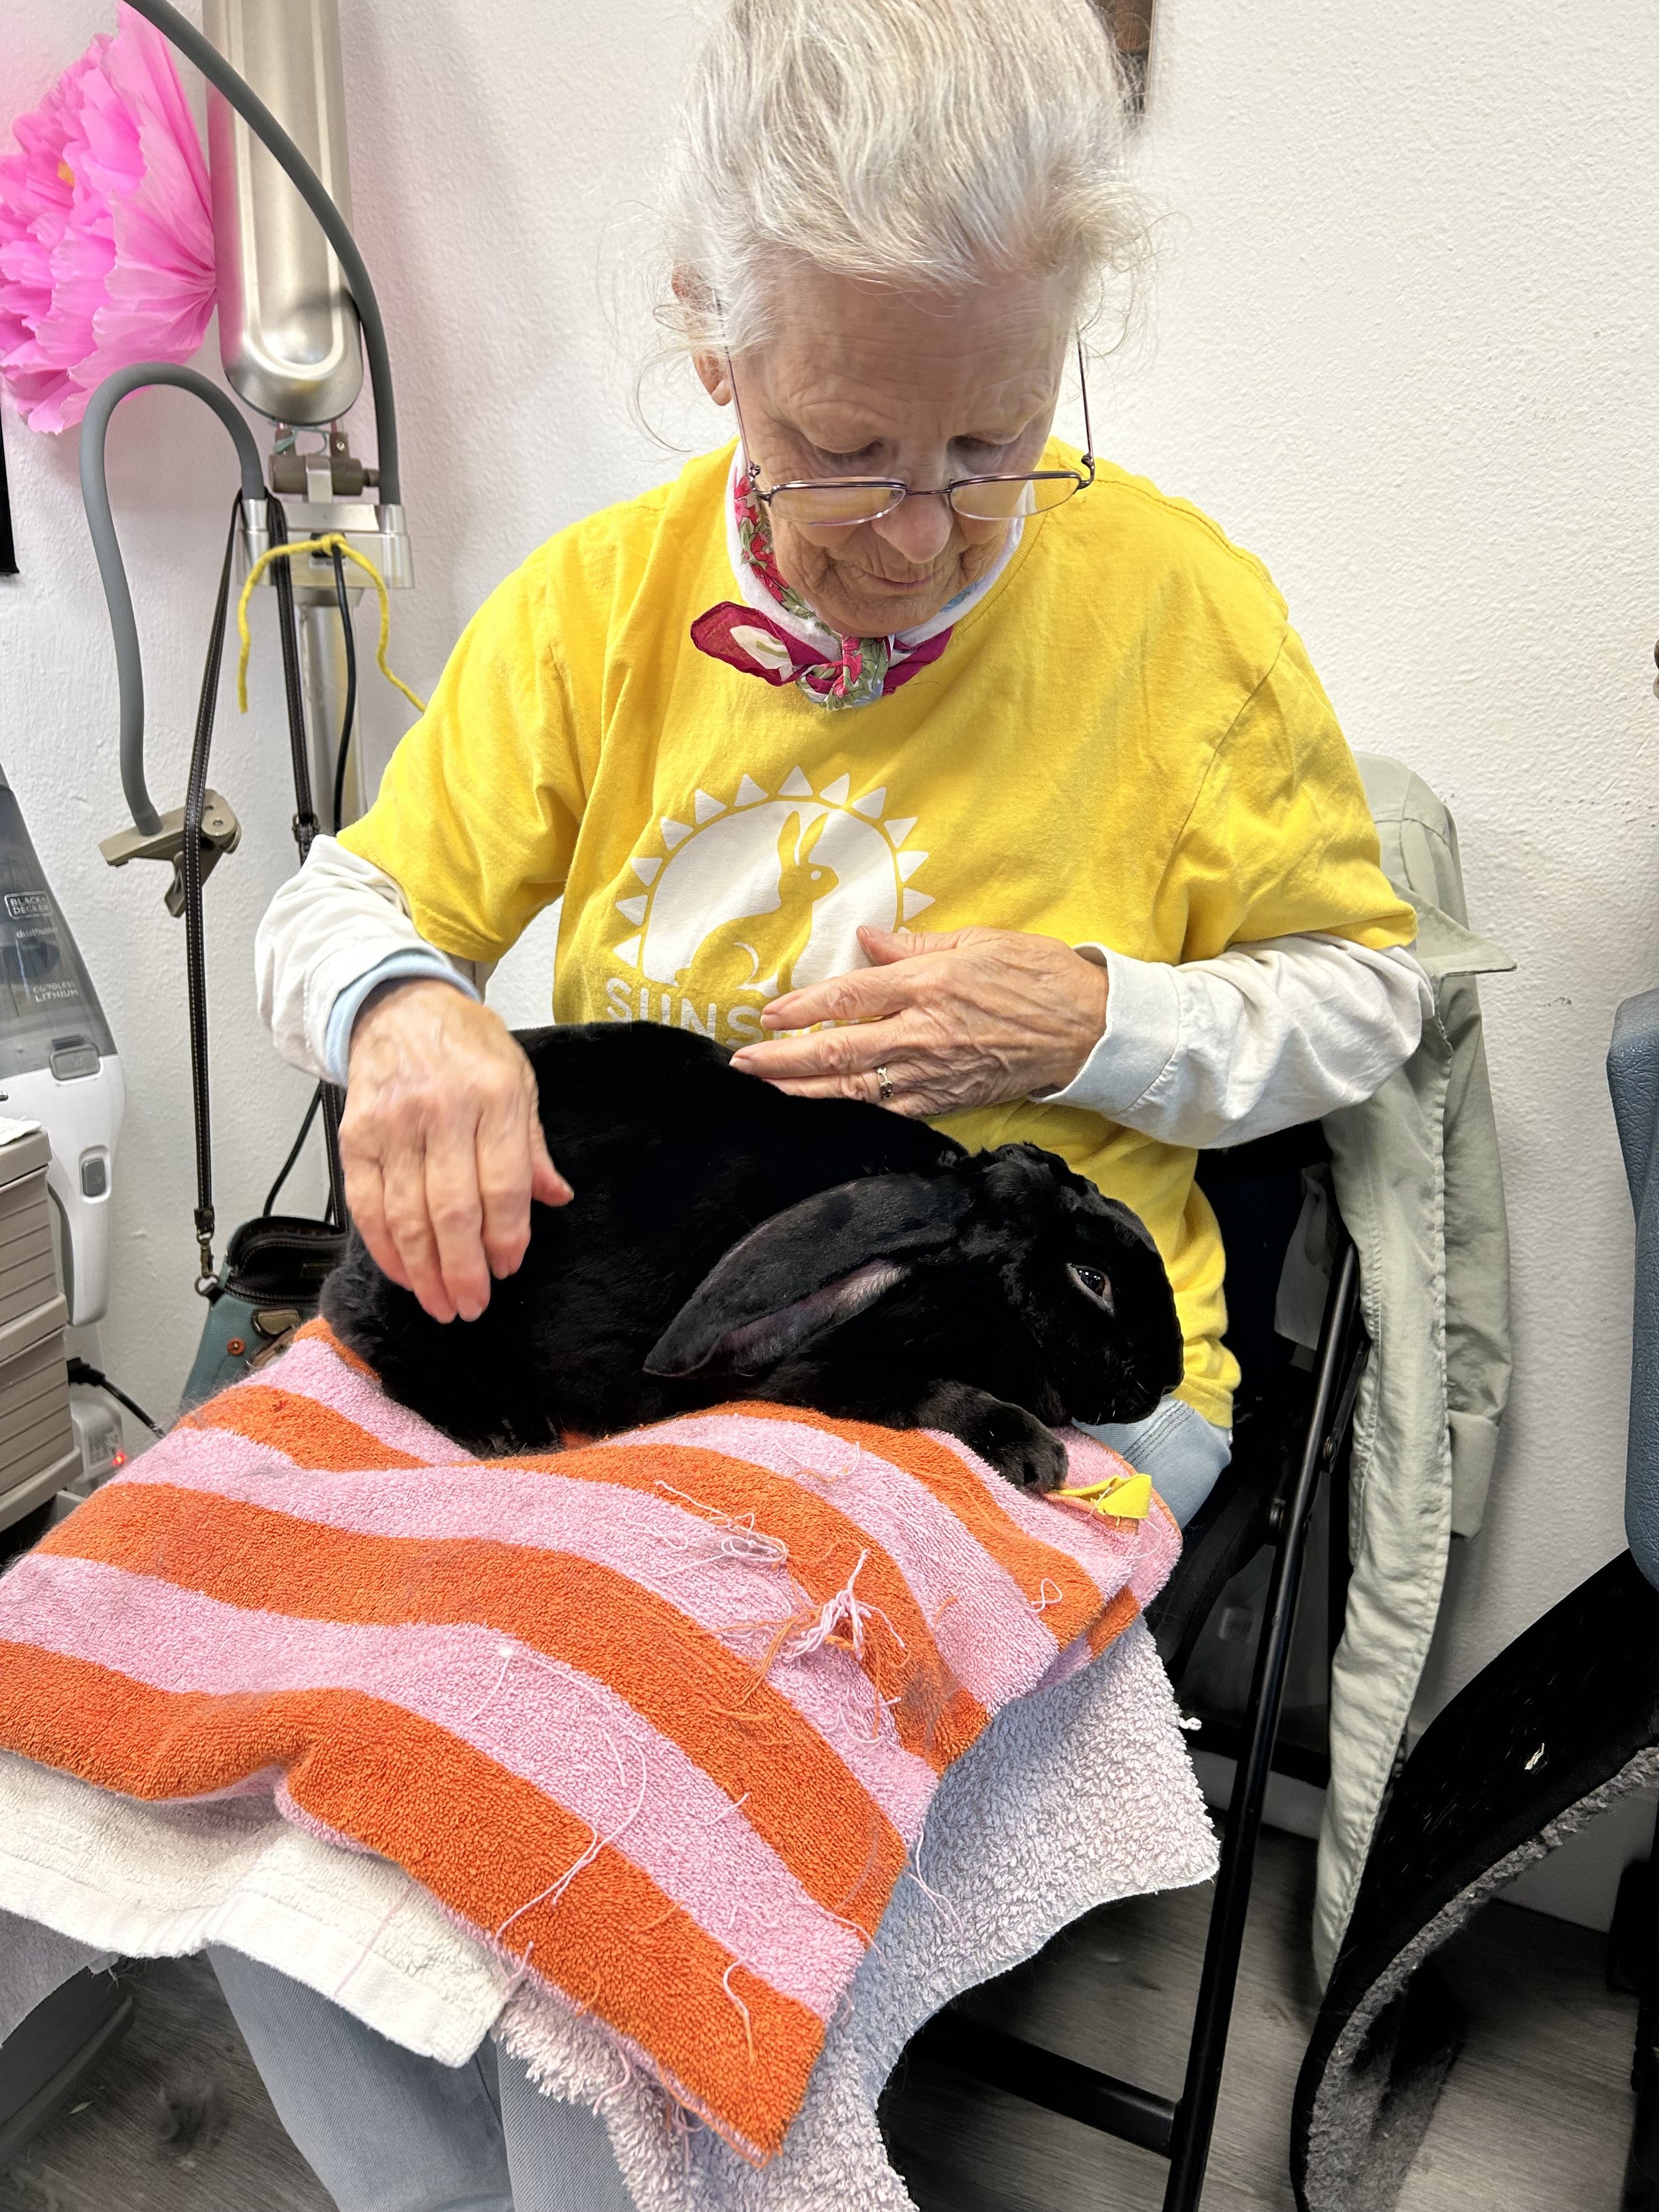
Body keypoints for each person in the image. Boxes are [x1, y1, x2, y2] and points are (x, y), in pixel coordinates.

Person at [242, 0, 1429, 2202]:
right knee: (252, 1715)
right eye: (849, 449)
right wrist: (403, 1003)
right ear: (714, 351)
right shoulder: (596, 605)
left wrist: (1094, 1020)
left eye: (991, 451)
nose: (920, 536)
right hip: (612, 1336)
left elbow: (1361, 998)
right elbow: (336, 903)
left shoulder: (1174, 611)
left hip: (997, 1366)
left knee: (589, 1818)